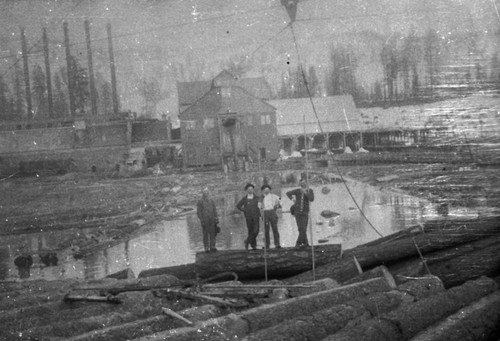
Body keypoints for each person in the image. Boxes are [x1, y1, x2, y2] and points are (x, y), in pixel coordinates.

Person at [286, 179, 314, 247]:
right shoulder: (297, 190)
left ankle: (298, 243)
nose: (303, 184)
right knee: (300, 228)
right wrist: (292, 199)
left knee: (303, 227)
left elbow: (311, 199)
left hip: (305, 212)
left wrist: (305, 193)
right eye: (301, 183)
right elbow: (288, 193)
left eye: (304, 183)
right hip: (297, 212)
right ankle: (305, 243)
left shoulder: (310, 190)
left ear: (307, 183)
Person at [236, 183, 261, 250]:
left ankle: (247, 241)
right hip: (248, 217)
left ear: (253, 190)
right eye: (249, 189)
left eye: (251, 189)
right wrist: (244, 210)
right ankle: (254, 246)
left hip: (256, 216)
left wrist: (260, 206)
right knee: (250, 231)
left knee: (256, 231)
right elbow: (238, 206)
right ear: (247, 190)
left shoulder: (257, 198)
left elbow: (261, 206)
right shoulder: (244, 199)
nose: (250, 190)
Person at [196, 187, 219, 252]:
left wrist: (216, 217)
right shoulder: (200, 201)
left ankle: (213, 246)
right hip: (205, 220)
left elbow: (214, 209)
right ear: (202, 193)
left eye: (207, 192)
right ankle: (206, 247)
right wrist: (202, 220)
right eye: (204, 192)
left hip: (212, 219)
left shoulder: (211, 200)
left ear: (208, 192)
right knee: (205, 234)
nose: (206, 193)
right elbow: (199, 212)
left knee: (213, 233)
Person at [261, 184, 281, 249]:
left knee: (275, 228)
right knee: (266, 230)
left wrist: (277, 205)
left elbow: (280, 200)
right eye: (265, 190)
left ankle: (277, 244)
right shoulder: (261, 197)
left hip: (272, 212)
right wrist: (261, 214)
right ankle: (267, 245)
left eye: (268, 189)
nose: (266, 191)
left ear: (270, 190)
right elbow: (259, 207)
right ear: (263, 191)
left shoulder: (274, 196)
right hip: (265, 213)